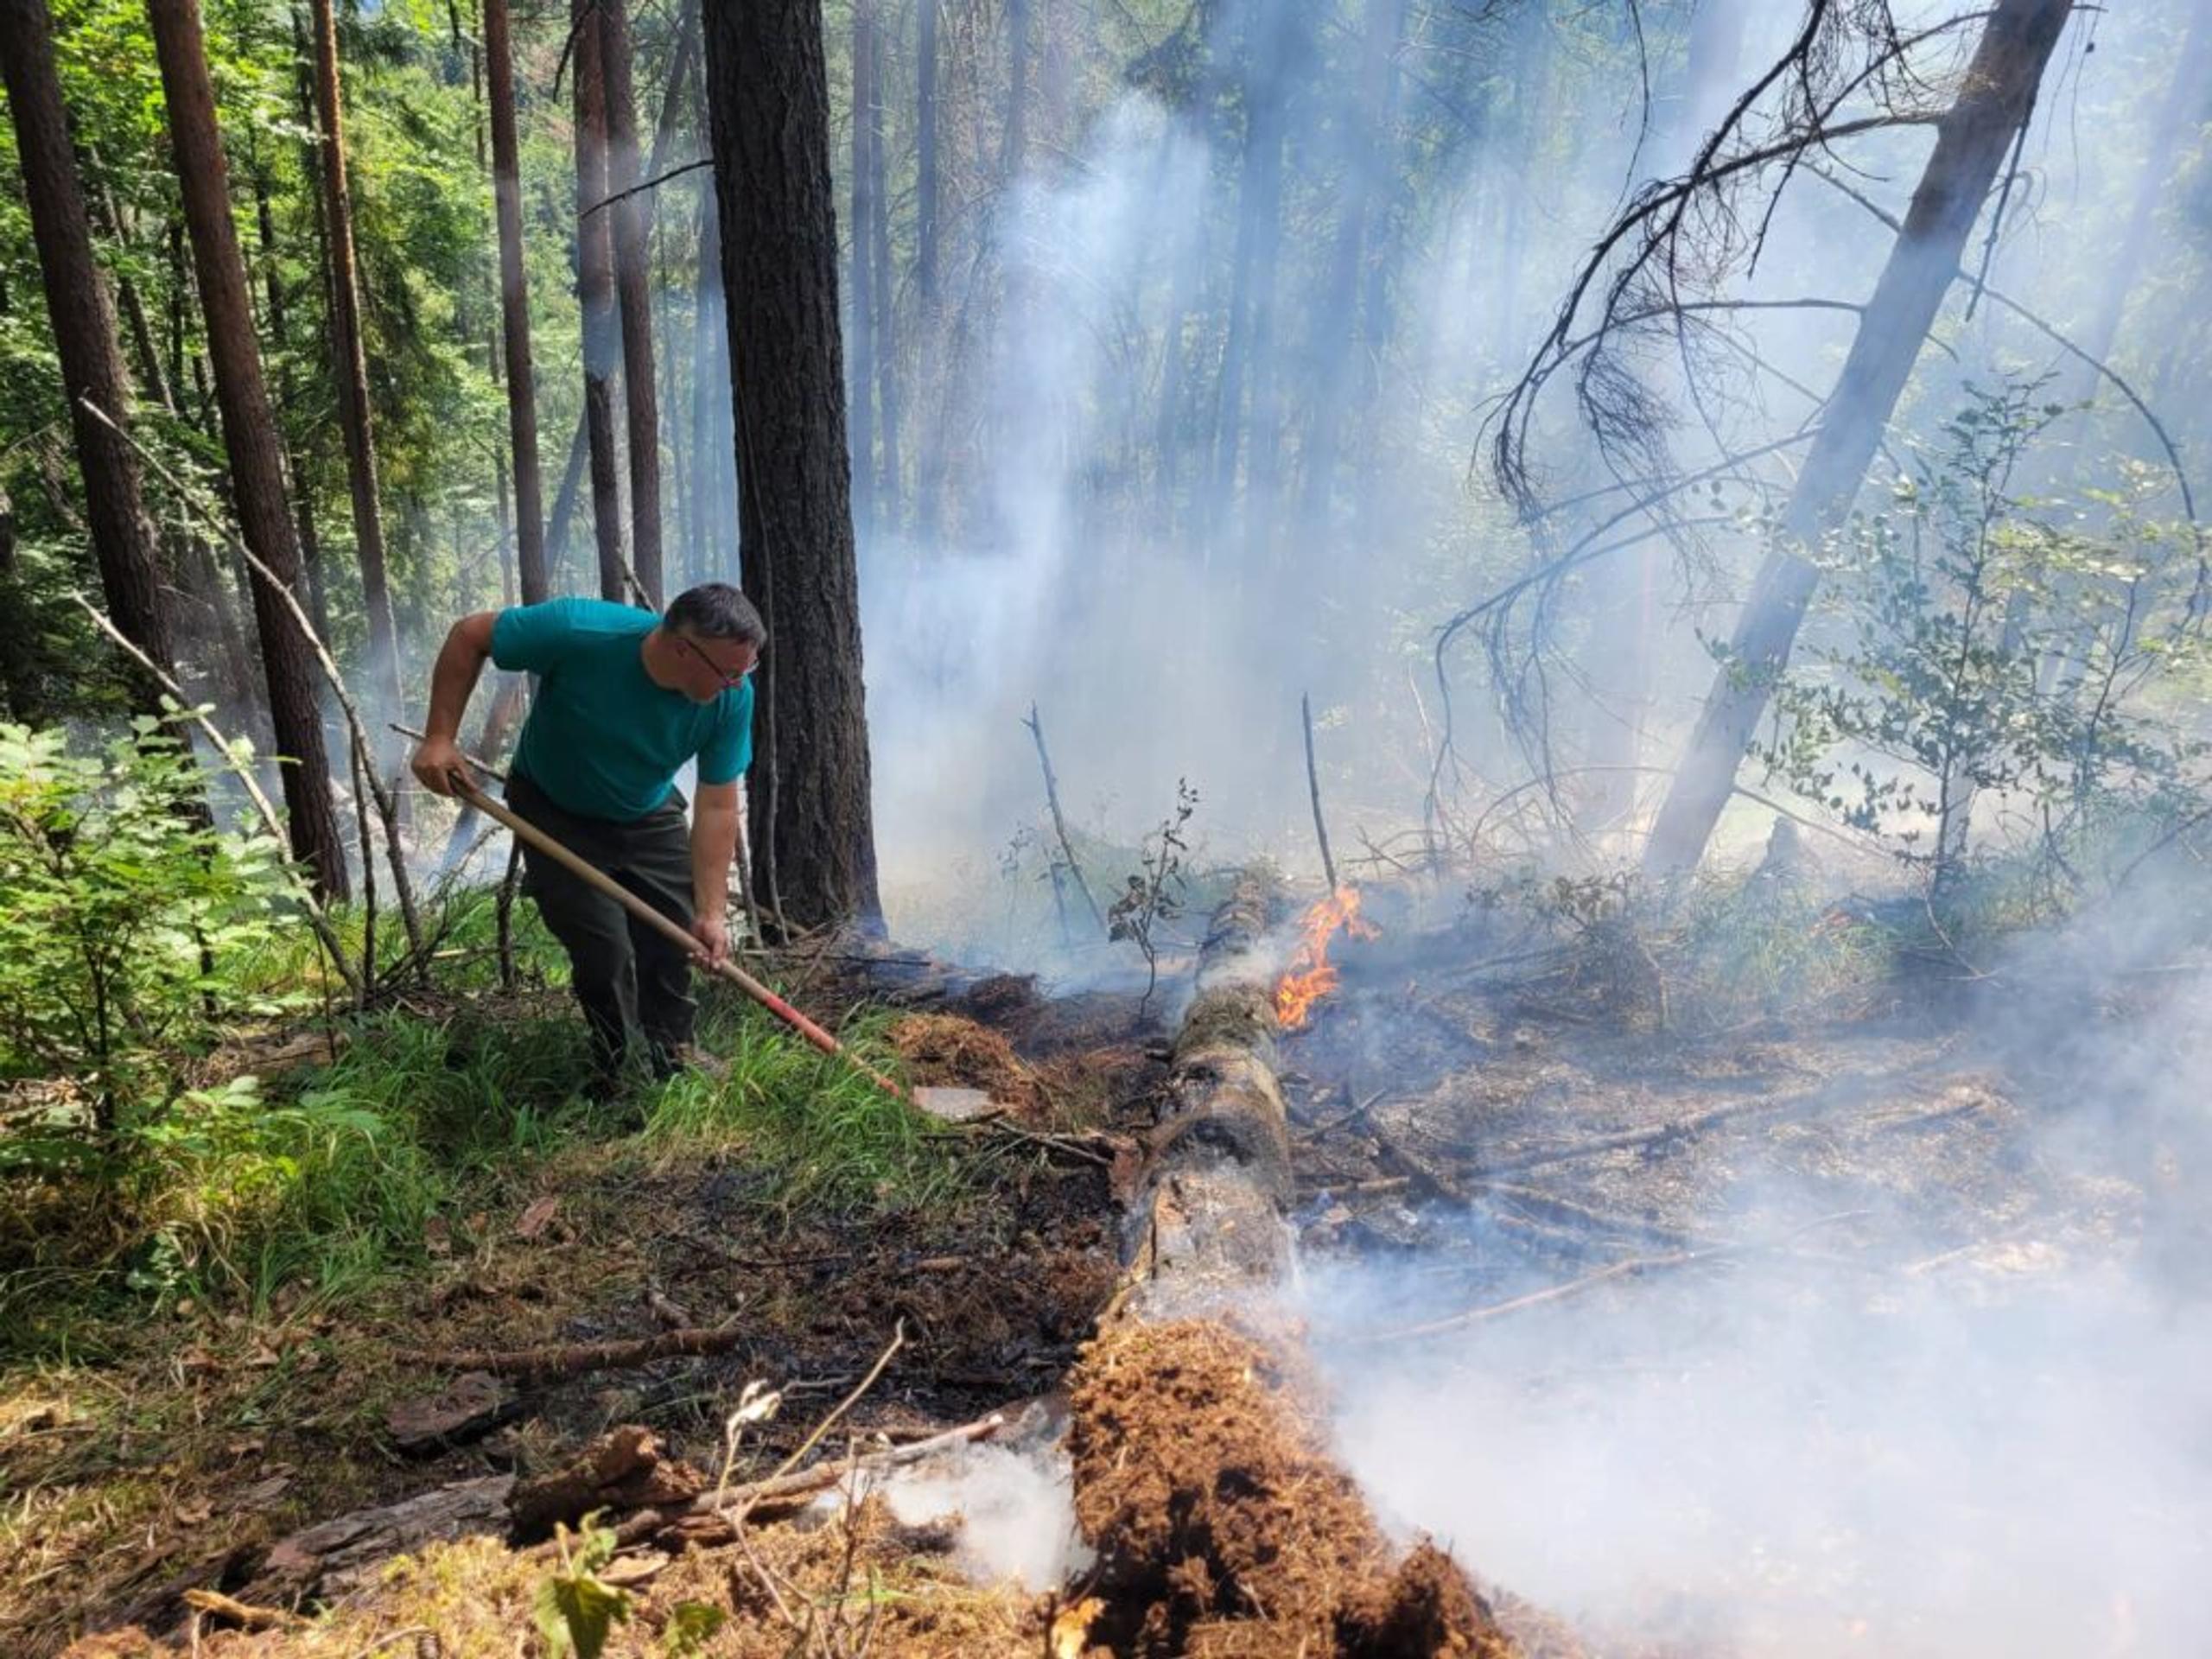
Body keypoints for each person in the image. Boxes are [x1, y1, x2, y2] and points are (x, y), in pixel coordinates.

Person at [411, 583, 763, 1092]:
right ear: (683, 648)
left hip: (645, 808)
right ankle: (619, 1071)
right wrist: (440, 738)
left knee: (674, 935)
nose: (737, 685)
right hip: (556, 809)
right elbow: (470, 636)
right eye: (729, 672)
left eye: (744, 672)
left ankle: (672, 1054)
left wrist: (710, 912)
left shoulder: (731, 701)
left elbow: (717, 805)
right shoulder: (581, 631)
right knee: (604, 952)